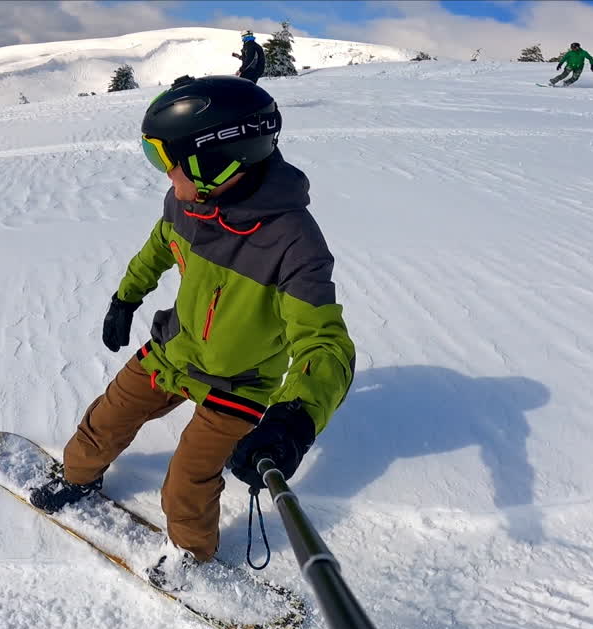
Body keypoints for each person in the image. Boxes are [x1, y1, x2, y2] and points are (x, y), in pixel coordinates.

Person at [27, 75, 355, 587]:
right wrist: (126, 297)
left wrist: (295, 417)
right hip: (173, 351)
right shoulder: (187, 202)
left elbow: (325, 344)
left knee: (186, 482)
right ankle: (77, 478)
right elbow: (159, 245)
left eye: (166, 159)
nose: (163, 173)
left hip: (239, 383)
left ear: (216, 162)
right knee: (105, 420)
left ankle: (191, 553)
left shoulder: (294, 244)